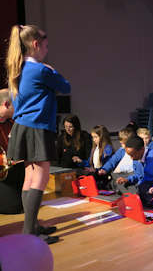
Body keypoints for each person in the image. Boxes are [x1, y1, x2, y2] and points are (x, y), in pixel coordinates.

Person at [6, 24, 71, 244]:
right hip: (38, 128)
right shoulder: (41, 70)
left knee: (29, 178)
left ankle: (31, 226)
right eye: (45, 45)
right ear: (36, 44)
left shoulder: (17, 69)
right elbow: (66, 86)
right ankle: (29, 233)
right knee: (40, 179)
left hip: (22, 127)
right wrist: (52, 69)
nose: (46, 49)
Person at [0, 89, 24, 214]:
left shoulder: (14, 121)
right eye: (15, 104)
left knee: (22, 206)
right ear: (6, 104)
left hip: (15, 170)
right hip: (3, 175)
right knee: (12, 209)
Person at [85, 125, 114, 189]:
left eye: (96, 137)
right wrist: (82, 162)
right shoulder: (94, 148)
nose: (94, 139)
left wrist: (97, 170)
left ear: (102, 137)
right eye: (93, 137)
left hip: (104, 179)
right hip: (96, 176)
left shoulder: (107, 149)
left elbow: (109, 164)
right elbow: (90, 162)